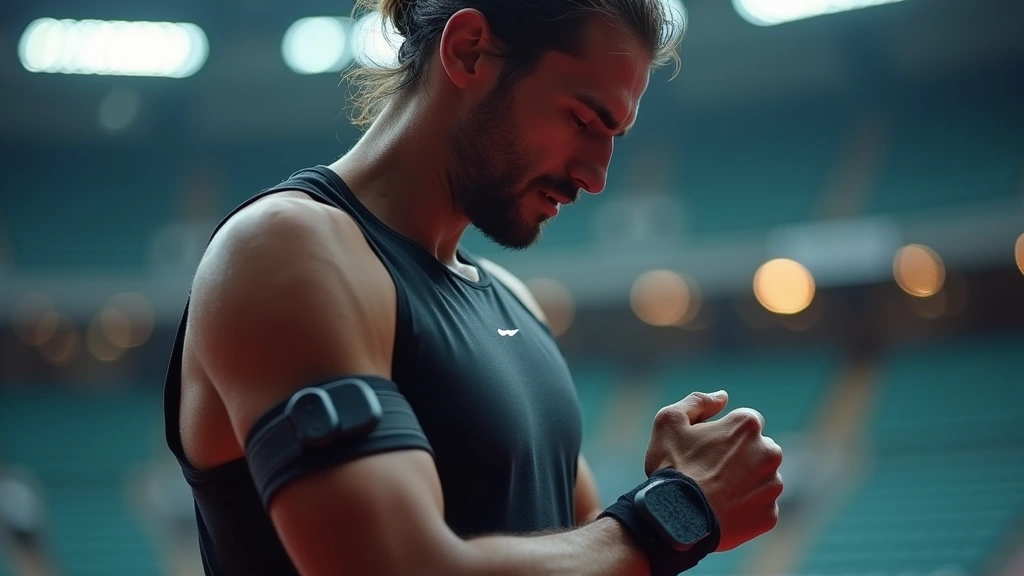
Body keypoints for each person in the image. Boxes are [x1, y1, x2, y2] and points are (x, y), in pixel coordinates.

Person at [162, 1, 785, 575]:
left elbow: (593, 555)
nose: (596, 176)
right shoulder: (285, 249)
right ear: (468, 51)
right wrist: (677, 511)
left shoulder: (517, 302)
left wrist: (668, 497)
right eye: (581, 118)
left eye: (613, 137)